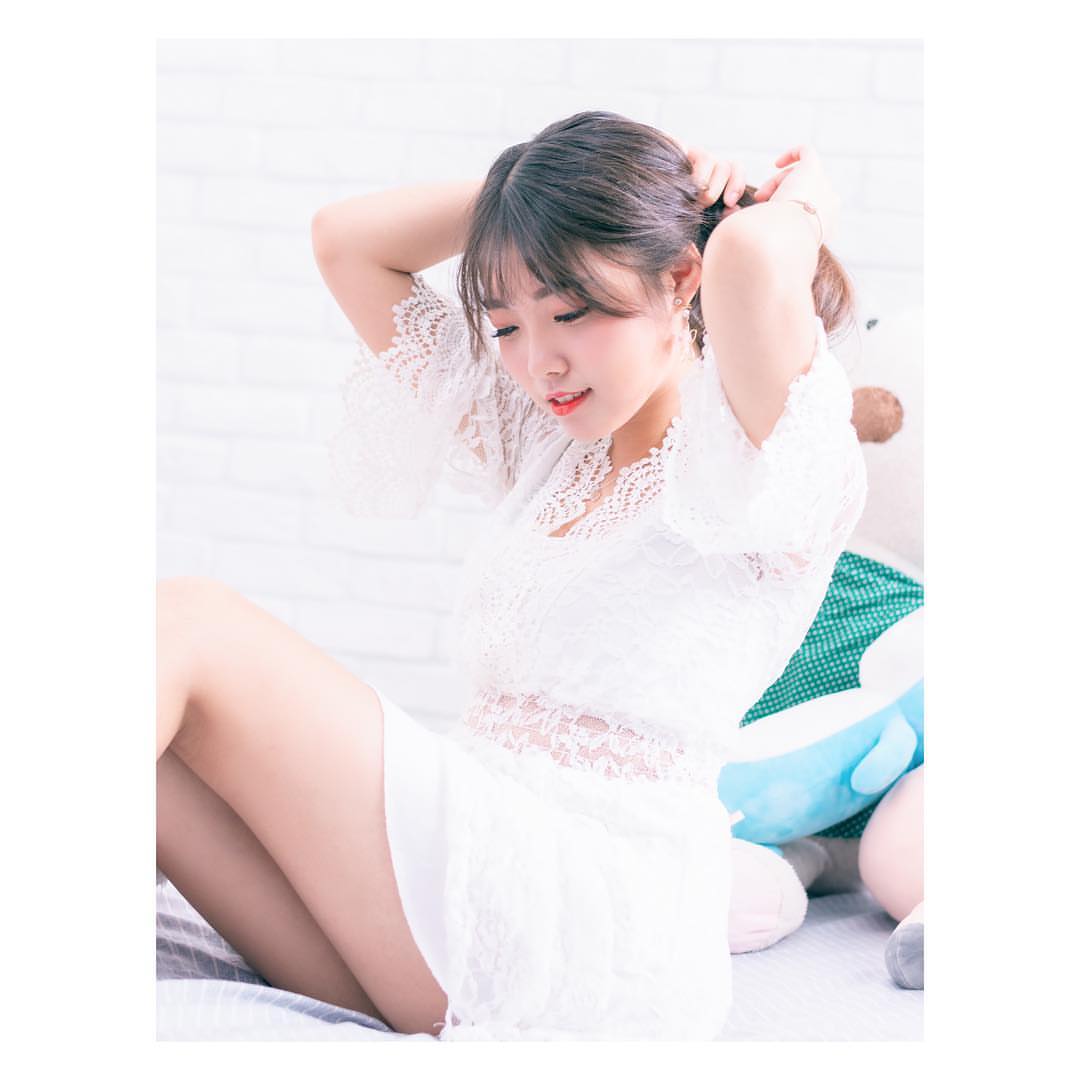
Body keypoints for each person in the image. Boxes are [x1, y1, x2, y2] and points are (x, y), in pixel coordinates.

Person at [156, 110, 866, 1041]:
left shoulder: (762, 465)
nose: (541, 362)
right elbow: (347, 242)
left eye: (573, 313)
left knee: (189, 623)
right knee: (158, 765)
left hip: (591, 919)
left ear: (680, 277)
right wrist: (538, 202)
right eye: (505, 325)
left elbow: (752, 259)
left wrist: (800, 201)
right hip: (457, 904)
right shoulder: (545, 446)